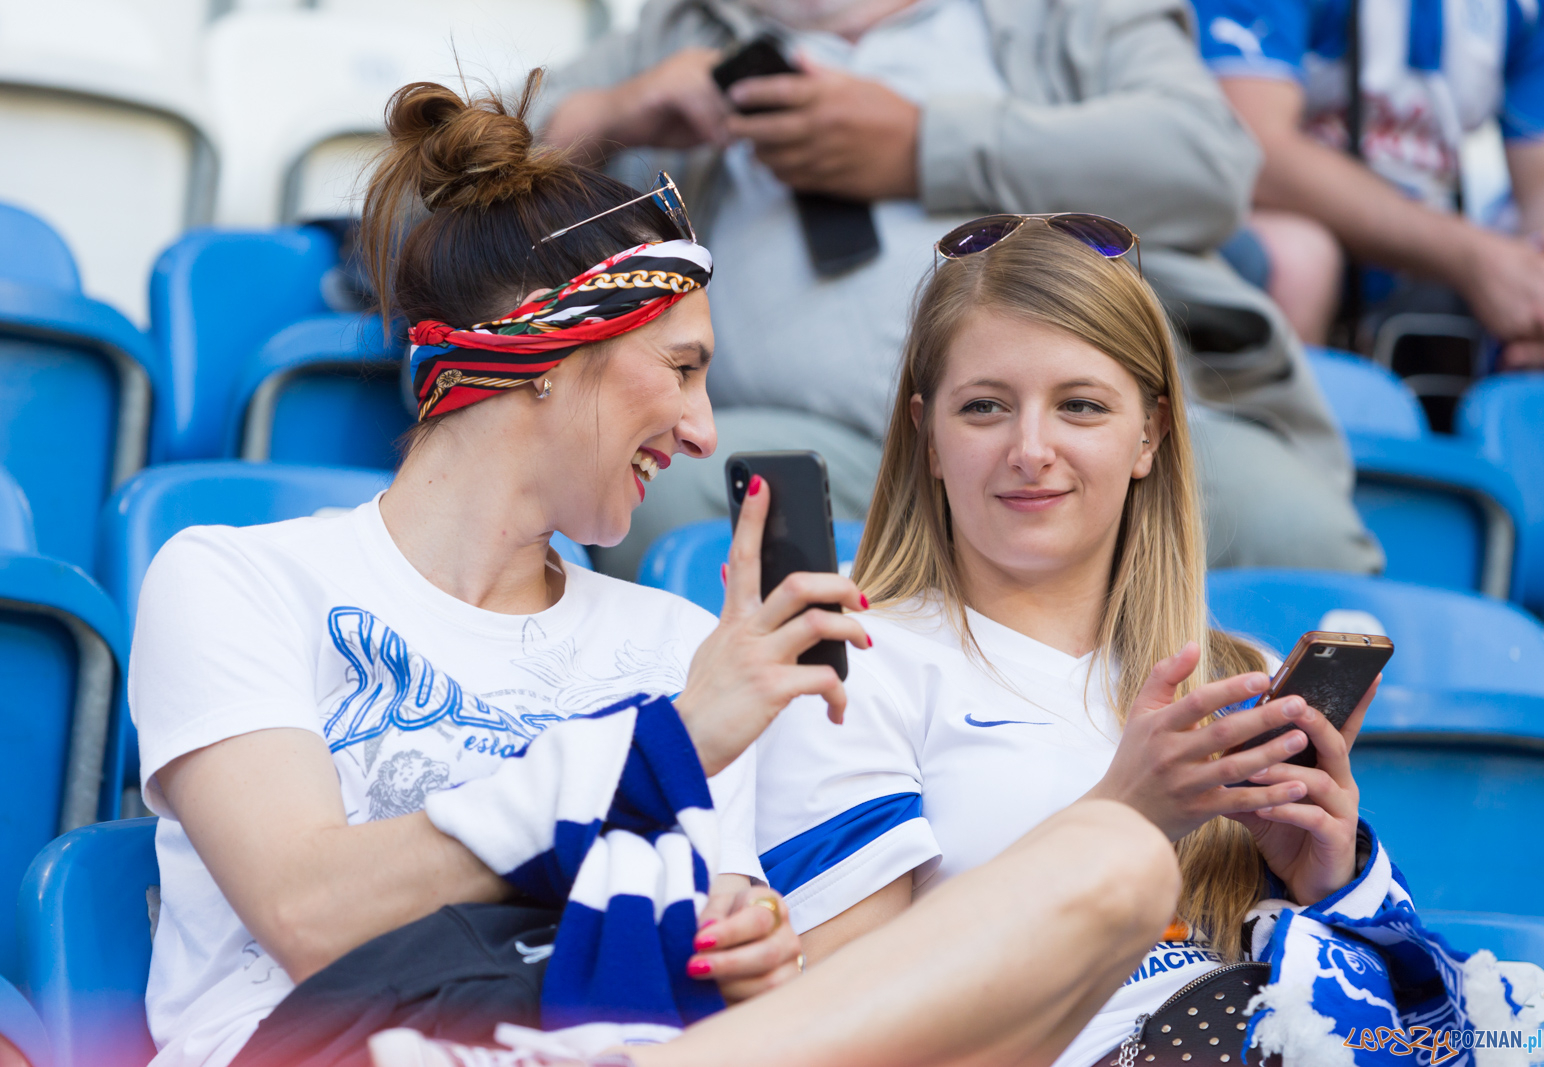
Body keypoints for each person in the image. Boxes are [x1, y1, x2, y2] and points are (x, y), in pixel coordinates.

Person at [132, 77, 1183, 1067]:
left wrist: (748, 938)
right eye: (680, 368)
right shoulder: (237, 577)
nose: (700, 428)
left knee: (1117, 866)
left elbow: (717, 941)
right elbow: (309, 912)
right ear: (539, 355)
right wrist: (667, 741)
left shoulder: (676, 644)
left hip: (618, 1039)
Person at [753, 218, 1389, 1066]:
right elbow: (843, 1019)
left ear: (1149, 435)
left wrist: (1325, 879)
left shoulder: (1239, 678)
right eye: (984, 407)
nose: (1030, 450)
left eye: (1080, 405)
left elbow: (1376, 1024)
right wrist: (1124, 816)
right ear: (927, 438)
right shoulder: (844, 665)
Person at [532, 0, 1384, 578]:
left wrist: (925, 145)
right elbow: (431, 203)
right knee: (681, 498)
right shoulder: (679, 28)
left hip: (1095, 427)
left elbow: (1209, 160)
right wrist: (610, 114)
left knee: (1298, 534)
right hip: (821, 448)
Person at [1194, 0, 1544, 367]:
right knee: (1301, 260)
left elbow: (1537, 193)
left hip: (1435, 266)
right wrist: (1471, 257)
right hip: (1286, 236)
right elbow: (1251, 152)